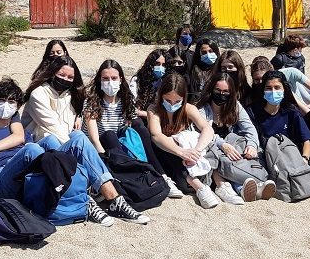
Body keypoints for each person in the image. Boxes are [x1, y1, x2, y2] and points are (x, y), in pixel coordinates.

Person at [0, 80, 150, 226]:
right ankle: (82, 199)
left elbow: (27, 142)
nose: (6, 105)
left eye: (11, 101)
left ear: (18, 106)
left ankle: (114, 199)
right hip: (1, 178)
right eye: (1, 100)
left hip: (23, 174)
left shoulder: (20, 129)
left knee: (74, 138)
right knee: (33, 149)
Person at [83, 59, 183, 198]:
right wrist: (105, 161)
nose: (110, 82)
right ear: (99, 80)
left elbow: (131, 122)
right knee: (109, 135)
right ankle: (129, 177)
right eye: (105, 79)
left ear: (121, 79)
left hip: (118, 145)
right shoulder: (92, 101)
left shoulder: (125, 99)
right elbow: (94, 140)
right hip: (101, 148)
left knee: (139, 127)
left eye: (114, 78)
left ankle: (162, 175)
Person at [146, 73, 222, 209]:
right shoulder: (154, 110)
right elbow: (156, 135)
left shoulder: (188, 108)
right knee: (164, 142)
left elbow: (207, 129)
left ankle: (203, 184)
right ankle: (198, 186)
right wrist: (181, 152)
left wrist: (196, 151)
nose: (172, 105)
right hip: (166, 156)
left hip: (186, 160)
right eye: (168, 100)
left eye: (177, 101)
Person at [197, 72, 275, 203]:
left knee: (243, 154)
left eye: (225, 92)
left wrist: (251, 145)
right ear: (211, 89)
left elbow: (249, 127)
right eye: (218, 90)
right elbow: (204, 133)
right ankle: (233, 187)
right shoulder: (202, 110)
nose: (221, 94)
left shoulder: (235, 106)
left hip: (234, 149)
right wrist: (223, 145)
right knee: (216, 155)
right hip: (213, 148)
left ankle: (247, 188)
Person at [21, 55, 85, 145]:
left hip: (65, 139)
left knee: (80, 136)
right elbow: (50, 125)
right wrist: (70, 145)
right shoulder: (38, 94)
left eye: (70, 77)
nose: (65, 79)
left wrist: (79, 116)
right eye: (61, 75)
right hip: (40, 141)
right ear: (52, 73)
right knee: (51, 139)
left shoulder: (72, 95)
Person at [251, 71, 310, 161]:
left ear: (284, 89)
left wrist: (305, 159)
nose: (273, 92)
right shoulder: (253, 112)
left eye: (277, 87)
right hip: (264, 159)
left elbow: (306, 142)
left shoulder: (291, 112)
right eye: (268, 88)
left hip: (290, 158)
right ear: (263, 90)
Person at [130, 48, 168, 118]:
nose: (160, 67)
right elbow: (132, 103)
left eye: (163, 65)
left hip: (157, 117)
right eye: (157, 64)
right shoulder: (137, 80)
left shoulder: (165, 82)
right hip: (139, 117)